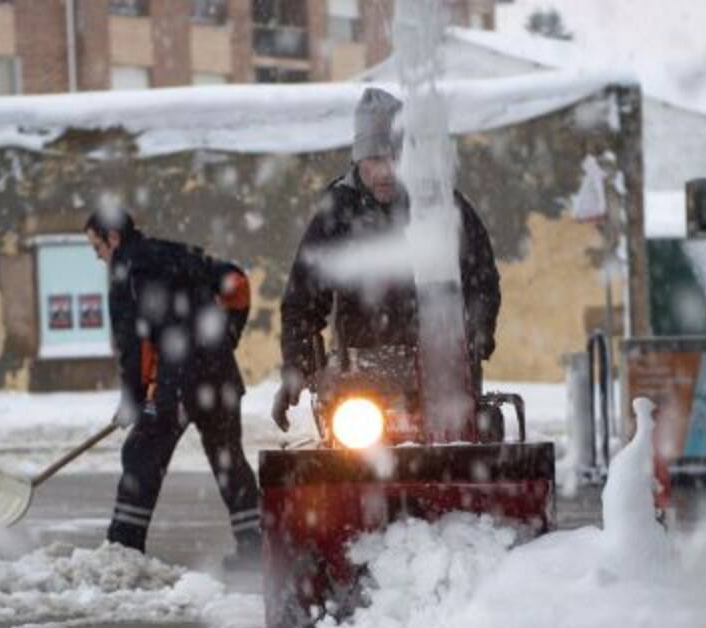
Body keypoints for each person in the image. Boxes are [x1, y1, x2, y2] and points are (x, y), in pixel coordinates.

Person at [271, 86, 502, 431]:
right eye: (374, 160)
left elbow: (481, 278)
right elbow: (303, 298)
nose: (385, 172)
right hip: (360, 379)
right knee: (351, 461)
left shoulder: (442, 204)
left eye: (394, 158)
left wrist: (475, 337)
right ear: (357, 159)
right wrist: (296, 367)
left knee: (457, 452)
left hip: (442, 374)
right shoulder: (338, 211)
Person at [86, 206, 262, 568]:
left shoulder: (126, 272)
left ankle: (123, 551)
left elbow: (133, 346)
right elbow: (237, 284)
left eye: (97, 247)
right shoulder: (178, 253)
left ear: (113, 238)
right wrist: (225, 338)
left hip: (177, 383)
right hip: (220, 378)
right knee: (229, 461)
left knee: (141, 455)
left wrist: (133, 398)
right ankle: (257, 546)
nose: (98, 257)